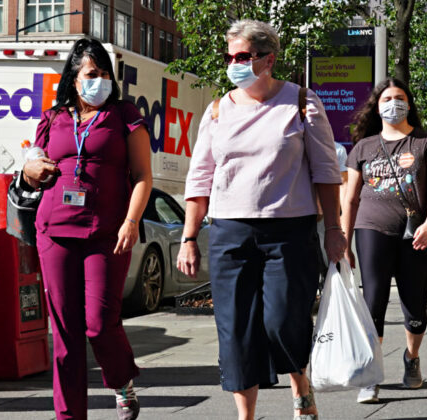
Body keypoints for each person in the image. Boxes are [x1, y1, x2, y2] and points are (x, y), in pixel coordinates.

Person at [176, 20, 346, 420]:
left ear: (268, 60)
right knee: (234, 329)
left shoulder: (302, 102)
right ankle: (245, 415)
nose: (232, 65)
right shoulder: (218, 110)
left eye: (242, 57)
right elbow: (200, 176)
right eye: (229, 57)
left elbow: (325, 171)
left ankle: (300, 387)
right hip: (229, 231)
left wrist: (335, 231)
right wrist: (188, 236)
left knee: (283, 320)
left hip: (289, 230)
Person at [21, 38, 152, 420]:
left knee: (99, 324)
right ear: (74, 80)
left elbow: (143, 175)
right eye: (92, 74)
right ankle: (69, 416)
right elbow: (32, 168)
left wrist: (132, 220)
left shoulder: (125, 115)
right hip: (54, 231)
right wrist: (30, 171)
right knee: (65, 335)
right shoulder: (54, 118)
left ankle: (122, 380)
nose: (100, 81)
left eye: (105, 74)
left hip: (107, 233)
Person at [342, 78, 427, 404]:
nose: (393, 103)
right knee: (372, 303)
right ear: (377, 106)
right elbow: (351, 198)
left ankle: (412, 357)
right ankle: (370, 374)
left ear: (409, 103)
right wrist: (344, 242)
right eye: (386, 98)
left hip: (415, 233)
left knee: (415, 307)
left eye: (399, 97)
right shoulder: (363, 147)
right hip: (371, 229)